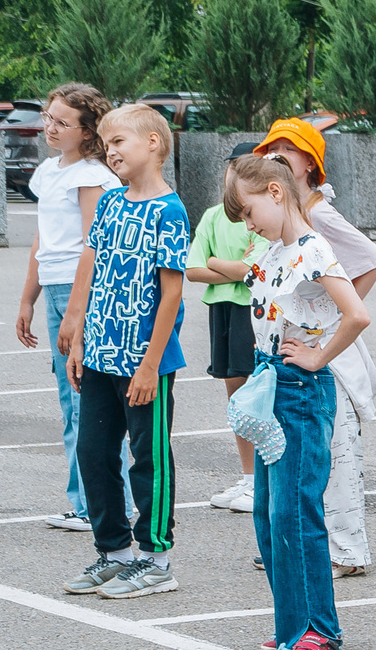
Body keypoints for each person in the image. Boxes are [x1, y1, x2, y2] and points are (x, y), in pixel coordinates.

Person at [214, 154, 370, 650]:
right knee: (268, 511)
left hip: (300, 389)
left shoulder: (313, 250)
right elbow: (247, 274)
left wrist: (318, 356)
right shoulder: (274, 249)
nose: (245, 222)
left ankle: (319, 630)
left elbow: (356, 314)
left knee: (295, 511)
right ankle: (291, 624)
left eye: (248, 209)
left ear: (276, 193)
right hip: (270, 384)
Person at [57, 105, 189, 598]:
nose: (111, 152)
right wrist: (80, 334)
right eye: (106, 144)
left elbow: (172, 292)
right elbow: (93, 266)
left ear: (153, 143)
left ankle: (156, 559)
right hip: (99, 356)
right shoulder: (111, 203)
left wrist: (151, 364)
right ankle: (114, 552)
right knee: (92, 452)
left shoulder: (170, 210)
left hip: (144, 362)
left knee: (148, 458)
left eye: (120, 142)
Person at [254, 119, 376, 579]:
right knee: (312, 457)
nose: (275, 159)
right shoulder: (283, 220)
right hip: (300, 355)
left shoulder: (319, 215)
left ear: (309, 164)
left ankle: (346, 551)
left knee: (338, 454)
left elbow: (370, 259)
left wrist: (331, 309)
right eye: (269, 152)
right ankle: (312, 540)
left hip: (329, 357)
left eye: (285, 152)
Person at [17, 83, 120, 531]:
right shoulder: (50, 170)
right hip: (56, 288)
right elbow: (43, 240)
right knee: (70, 400)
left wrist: (76, 313)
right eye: (48, 117)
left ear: (87, 131)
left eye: (63, 122)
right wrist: (26, 298)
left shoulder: (91, 176)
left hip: (81, 293)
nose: (50, 127)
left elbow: (91, 246)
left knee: (84, 401)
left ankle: (94, 505)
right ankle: (86, 501)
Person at [187, 171, 263, 516]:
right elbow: (192, 267)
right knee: (236, 396)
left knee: (260, 393)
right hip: (222, 307)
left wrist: (216, 263)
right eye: (232, 171)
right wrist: (228, 266)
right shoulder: (213, 215)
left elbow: (254, 270)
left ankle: (264, 480)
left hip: (254, 307)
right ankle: (249, 478)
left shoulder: (260, 216)